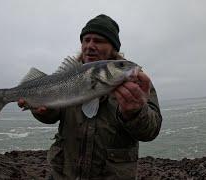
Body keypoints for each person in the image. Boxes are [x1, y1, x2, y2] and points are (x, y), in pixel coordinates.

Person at [18, 14, 162, 180]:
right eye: (86, 40)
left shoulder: (136, 82)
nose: (89, 46)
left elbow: (151, 130)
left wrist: (136, 113)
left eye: (98, 41)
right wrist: (42, 112)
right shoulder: (69, 76)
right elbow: (54, 114)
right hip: (63, 174)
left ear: (113, 48)